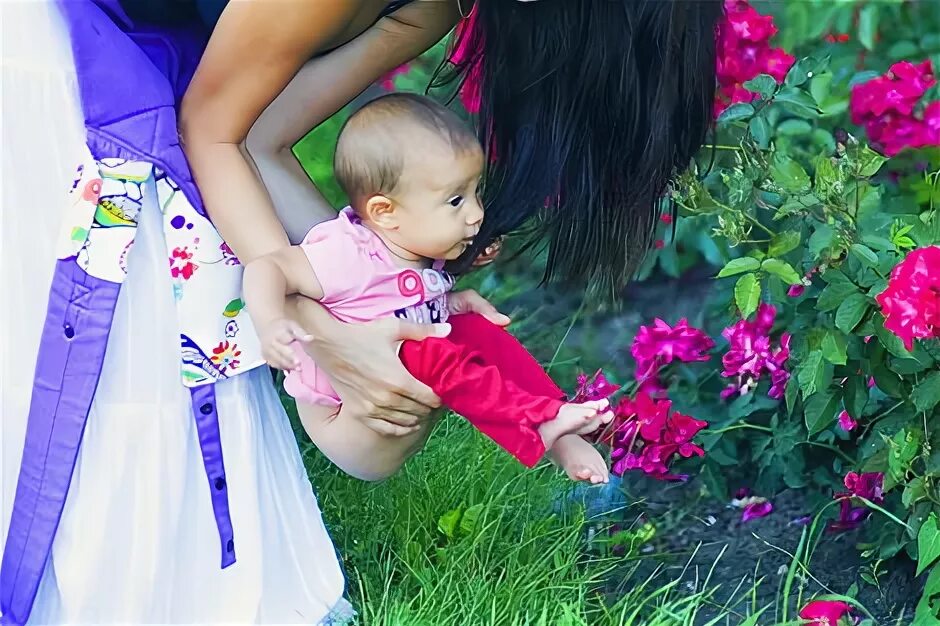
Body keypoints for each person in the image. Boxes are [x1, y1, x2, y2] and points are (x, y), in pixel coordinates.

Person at [1, 0, 720, 623]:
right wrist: (326, 329)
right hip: (49, 39)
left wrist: (367, 287)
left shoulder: (432, 6)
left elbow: (259, 134)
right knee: (139, 347)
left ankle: (544, 421)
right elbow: (213, 127)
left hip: (163, 52)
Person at [244, 94, 614, 484]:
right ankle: (533, 419)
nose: (476, 213)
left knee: (471, 327)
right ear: (385, 213)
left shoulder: (412, 253)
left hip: (392, 395)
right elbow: (267, 267)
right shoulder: (344, 253)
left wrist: (450, 303)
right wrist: (270, 323)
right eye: (455, 201)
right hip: (346, 421)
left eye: (475, 193)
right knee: (427, 351)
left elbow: (400, 309)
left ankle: (556, 426)